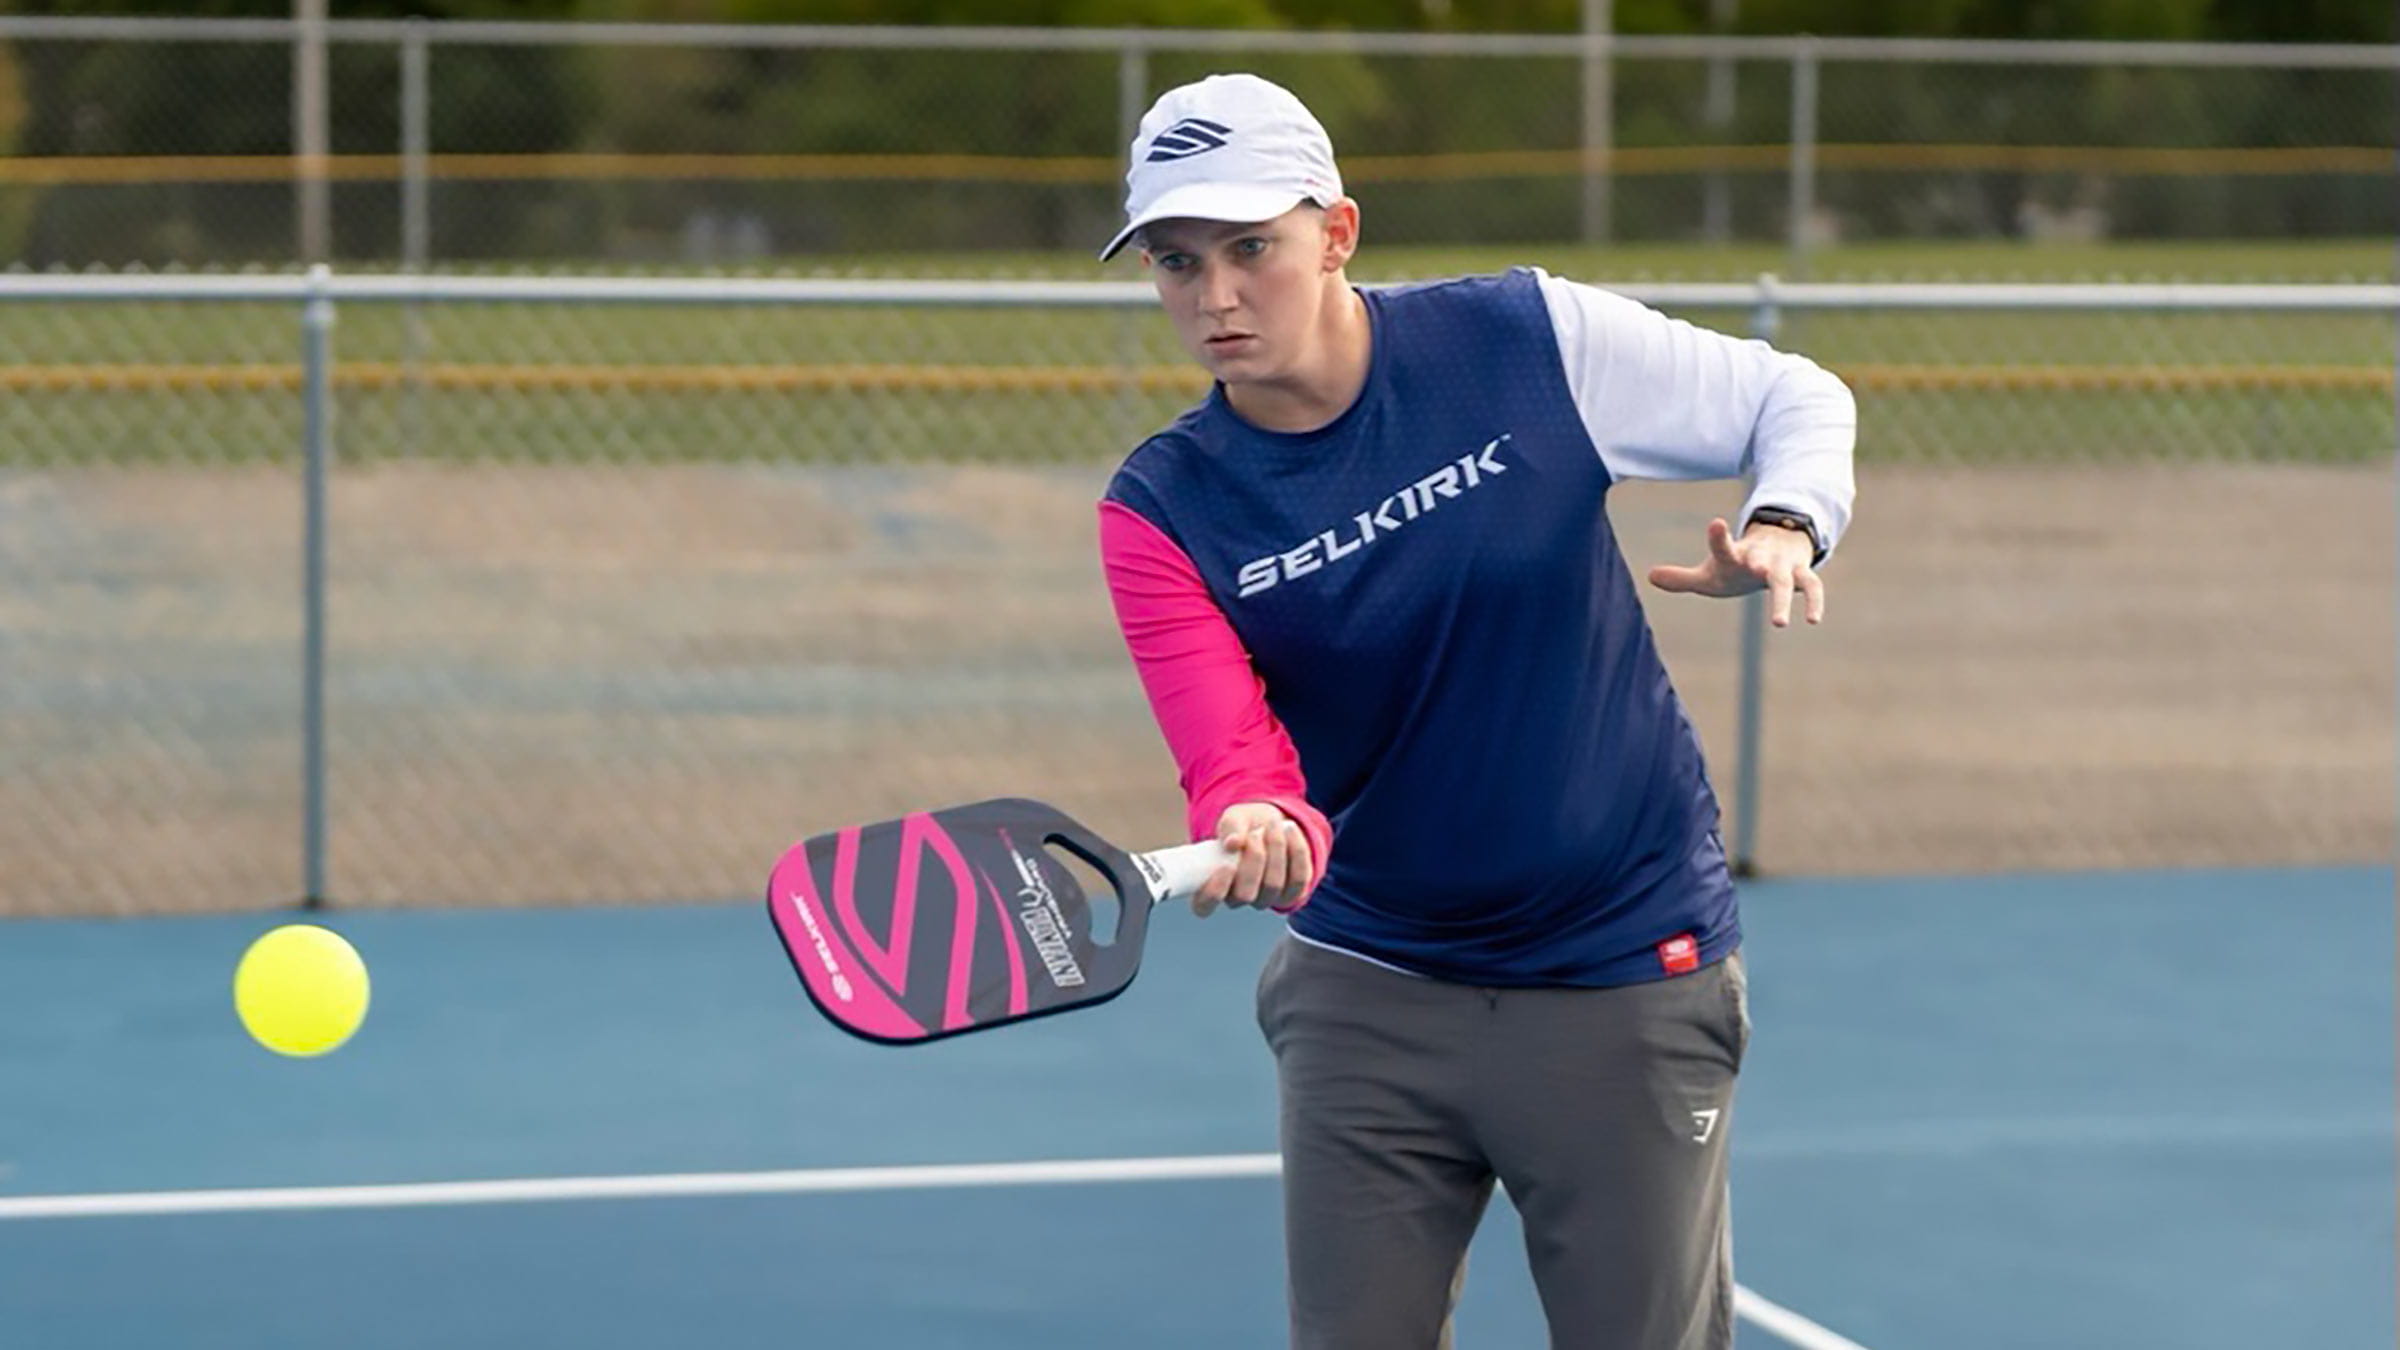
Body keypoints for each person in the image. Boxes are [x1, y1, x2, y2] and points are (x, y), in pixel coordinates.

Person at [1093, 72, 1855, 1350]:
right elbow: (1229, 743)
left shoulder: (1520, 341)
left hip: (1621, 967)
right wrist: (1259, 814)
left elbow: (1797, 397)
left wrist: (1787, 521)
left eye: (1251, 250)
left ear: (1335, 233)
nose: (1214, 297)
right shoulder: (1162, 509)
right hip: (1368, 989)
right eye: (1176, 262)